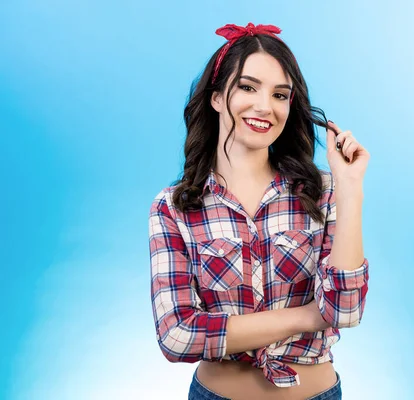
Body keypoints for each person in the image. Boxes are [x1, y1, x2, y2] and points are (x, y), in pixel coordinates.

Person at [148, 22, 370, 400]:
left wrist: (350, 188)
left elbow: (345, 310)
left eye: (280, 94)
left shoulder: (322, 191)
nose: (265, 106)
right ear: (217, 97)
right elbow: (177, 336)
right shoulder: (174, 208)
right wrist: (306, 316)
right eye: (248, 87)